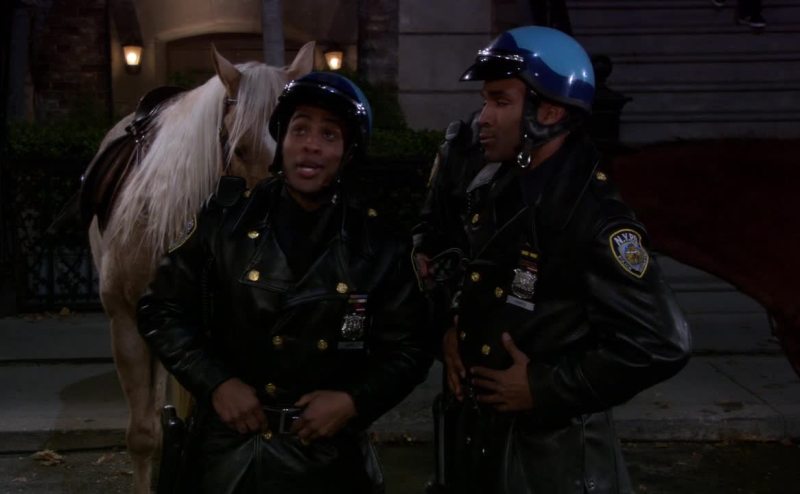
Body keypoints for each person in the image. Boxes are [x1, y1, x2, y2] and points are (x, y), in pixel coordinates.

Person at [414, 26, 692, 493]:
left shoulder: (594, 217)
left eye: (500, 101)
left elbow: (661, 342)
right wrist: (453, 325)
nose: (483, 117)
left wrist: (544, 387)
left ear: (549, 112)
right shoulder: (495, 185)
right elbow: (466, 267)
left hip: (553, 464)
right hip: (480, 449)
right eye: (485, 100)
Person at [137, 72, 432, 493]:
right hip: (227, 453)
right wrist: (216, 382)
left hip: (327, 458)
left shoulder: (380, 244)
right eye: (300, 129)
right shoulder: (223, 222)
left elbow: (412, 346)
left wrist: (353, 400)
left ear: (348, 152)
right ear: (282, 141)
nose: (311, 144)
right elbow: (159, 308)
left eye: (329, 134)